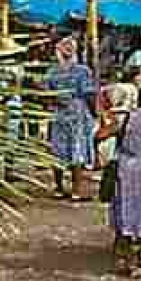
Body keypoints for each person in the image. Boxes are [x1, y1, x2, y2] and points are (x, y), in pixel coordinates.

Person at [97, 85, 141, 277]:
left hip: (126, 165)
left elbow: (100, 135)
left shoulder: (126, 119)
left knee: (126, 207)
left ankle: (126, 255)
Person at [44, 36, 96, 201]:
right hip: (77, 112)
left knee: (58, 149)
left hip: (58, 113)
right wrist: (95, 111)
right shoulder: (83, 71)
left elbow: (45, 95)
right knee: (77, 150)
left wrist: (55, 103)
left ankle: (59, 187)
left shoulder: (52, 72)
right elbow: (89, 93)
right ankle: (76, 190)